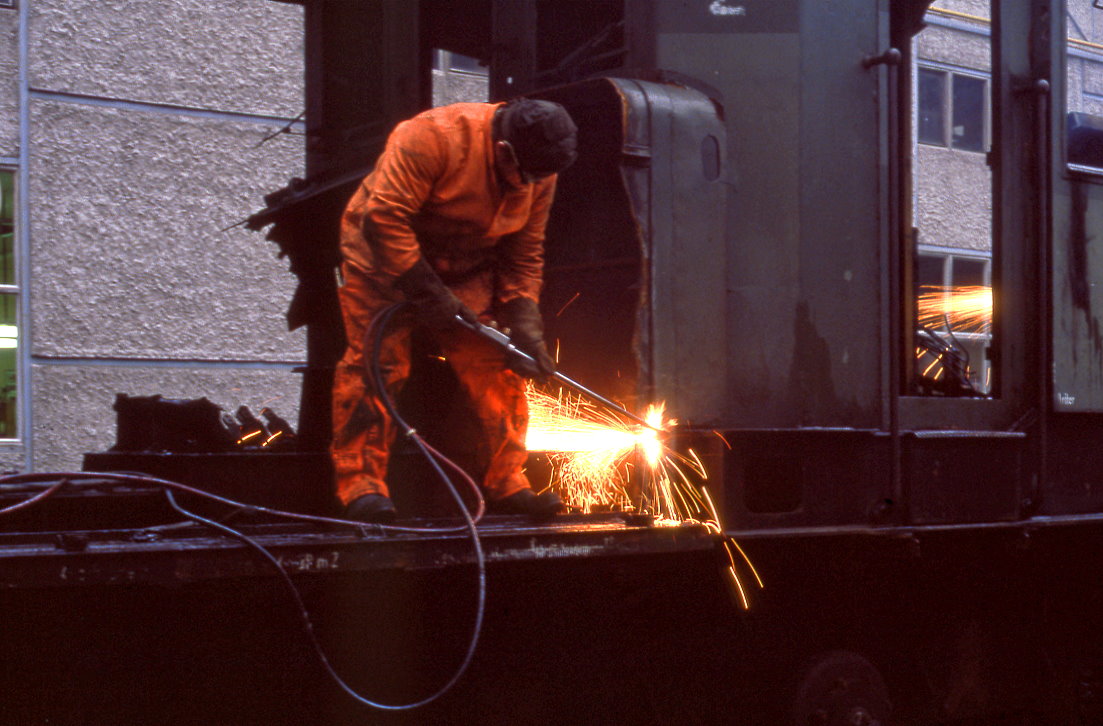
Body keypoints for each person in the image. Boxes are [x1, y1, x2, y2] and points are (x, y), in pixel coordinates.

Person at [332, 98, 578, 523]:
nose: (531, 185)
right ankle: (361, 486)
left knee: (497, 363)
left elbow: (525, 250)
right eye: (526, 175)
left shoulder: (539, 170)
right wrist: (429, 293)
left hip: (462, 266)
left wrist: (524, 319)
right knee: (378, 365)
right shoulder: (429, 137)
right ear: (503, 151)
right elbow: (384, 218)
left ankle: (506, 481)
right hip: (380, 261)